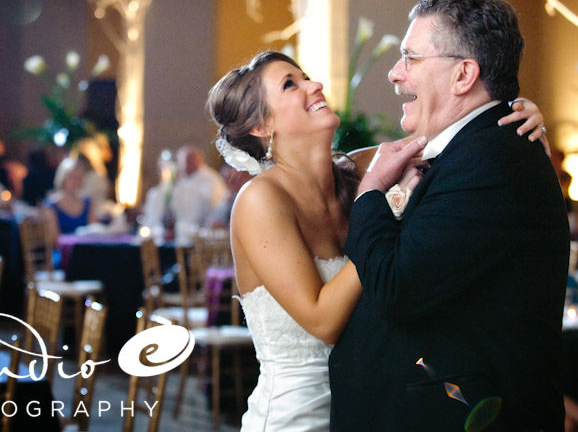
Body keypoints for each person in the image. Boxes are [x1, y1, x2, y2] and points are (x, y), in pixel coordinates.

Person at [206, 46, 548, 431]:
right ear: (261, 126)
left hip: (372, 405)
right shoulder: (260, 201)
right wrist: (388, 207)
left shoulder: (363, 169)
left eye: (305, 76)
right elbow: (322, 320)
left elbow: (458, 133)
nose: (314, 85)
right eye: (290, 85)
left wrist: (517, 112)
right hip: (300, 415)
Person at [329, 0, 570, 430]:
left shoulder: (491, 159)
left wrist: (371, 193)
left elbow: (397, 288)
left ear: (463, 75)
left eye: (411, 58)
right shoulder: (469, 150)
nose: (395, 73)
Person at [44, 157, 95, 235]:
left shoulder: (87, 202)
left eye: (79, 178)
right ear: (63, 178)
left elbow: (93, 231)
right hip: (64, 247)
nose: (75, 181)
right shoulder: (52, 204)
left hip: (86, 246)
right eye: (72, 177)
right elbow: (54, 238)